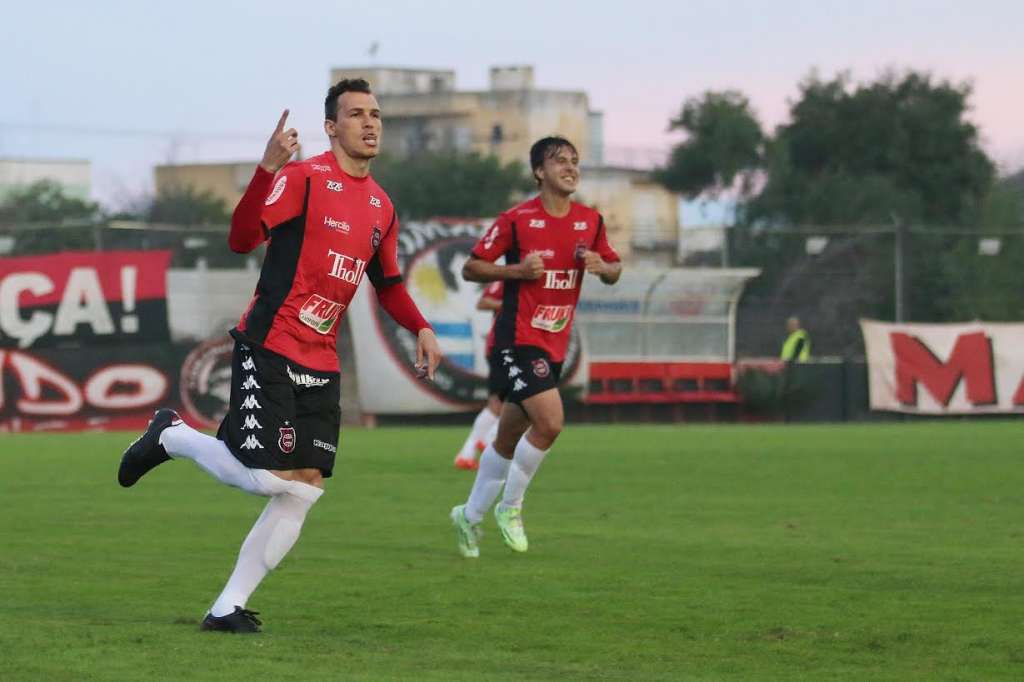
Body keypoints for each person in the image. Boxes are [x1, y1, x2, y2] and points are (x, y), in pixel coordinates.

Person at [117, 78, 442, 633]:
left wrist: (421, 326)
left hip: (322, 360)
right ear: (331, 127)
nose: (370, 123)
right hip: (270, 343)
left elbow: (387, 283)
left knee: (306, 485)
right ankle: (172, 436)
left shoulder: (381, 206)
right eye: (356, 114)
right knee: (266, 475)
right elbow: (241, 239)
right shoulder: (302, 179)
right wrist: (267, 168)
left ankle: (226, 607)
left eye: (375, 114)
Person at [449, 136, 622, 558]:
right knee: (550, 423)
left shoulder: (590, 221)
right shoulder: (516, 220)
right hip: (518, 339)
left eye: (574, 160)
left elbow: (615, 268)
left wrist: (603, 267)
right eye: (559, 161)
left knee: (507, 438)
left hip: (554, 344)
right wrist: (517, 271)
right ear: (539, 172)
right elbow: (471, 267)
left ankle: (468, 516)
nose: (570, 167)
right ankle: (510, 507)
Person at [453, 281, 505, 471]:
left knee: (505, 403)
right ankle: (485, 441)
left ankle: (473, 449)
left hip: (519, 347)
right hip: (503, 347)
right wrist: (512, 306)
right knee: (507, 402)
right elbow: (483, 302)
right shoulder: (509, 277)